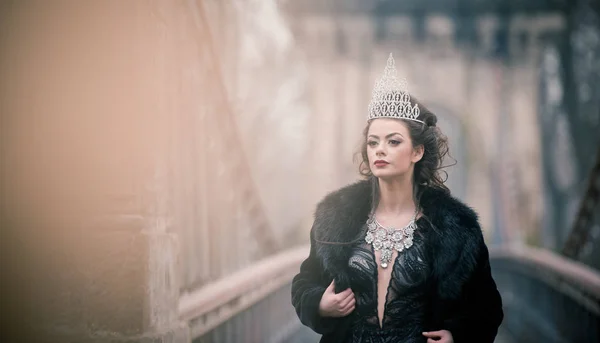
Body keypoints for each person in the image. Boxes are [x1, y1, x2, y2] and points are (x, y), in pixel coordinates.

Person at [291, 53, 504, 343]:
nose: (380, 150)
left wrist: (458, 335)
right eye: (373, 142)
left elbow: (486, 308)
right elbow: (305, 282)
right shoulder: (335, 218)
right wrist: (319, 304)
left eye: (393, 141)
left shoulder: (458, 228)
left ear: (417, 152)